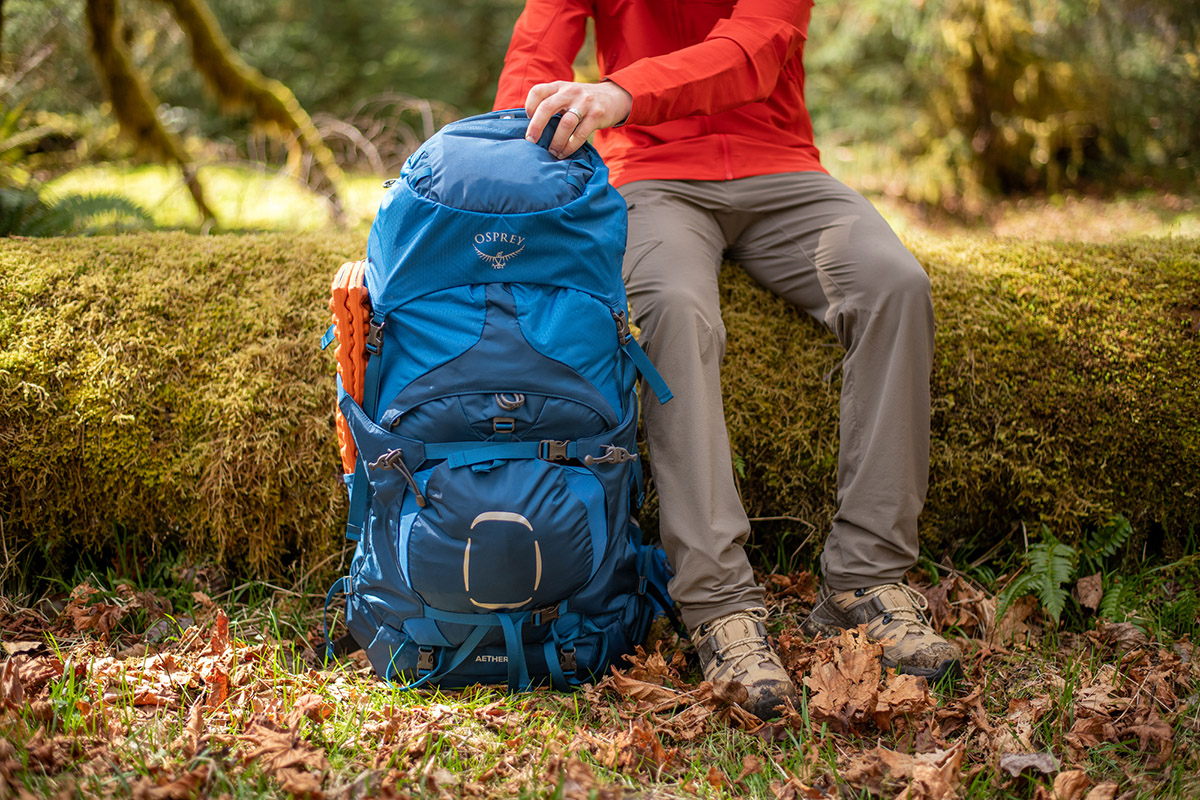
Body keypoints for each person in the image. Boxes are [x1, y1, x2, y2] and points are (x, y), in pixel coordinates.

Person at [493, 0, 961, 720]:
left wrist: (620, 94)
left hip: (781, 170)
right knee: (674, 311)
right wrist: (512, 138)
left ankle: (864, 578)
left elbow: (754, 47)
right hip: (651, 174)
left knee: (895, 285)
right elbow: (536, 50)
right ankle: (718, 605)